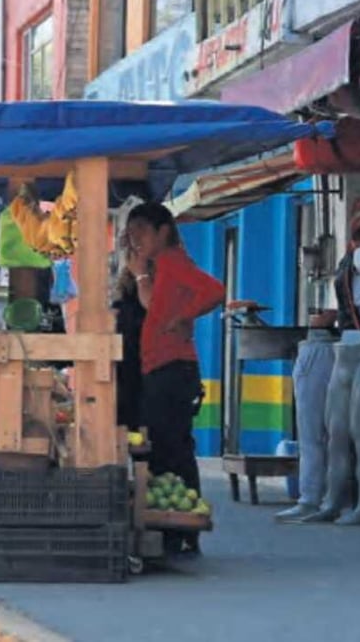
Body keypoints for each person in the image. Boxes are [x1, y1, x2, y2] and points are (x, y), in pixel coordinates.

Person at [125, 202, 226, 557]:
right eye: (132, 232)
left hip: (172, 368)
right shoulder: (160, 267)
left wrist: (184, 317)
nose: (135, 239)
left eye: (142, 231)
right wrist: (139, 274)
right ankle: (176, 529)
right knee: (169, 448)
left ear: (162, 232)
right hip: (161, 368)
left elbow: (214, 290)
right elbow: (153, 305)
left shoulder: (172, 260)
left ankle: (180, 530)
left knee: (172, 450)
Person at [113, 267, 147, 430]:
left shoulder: (118, 307)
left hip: (123, 361)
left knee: (126, 408)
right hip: (145, 361)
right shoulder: (149, 306)